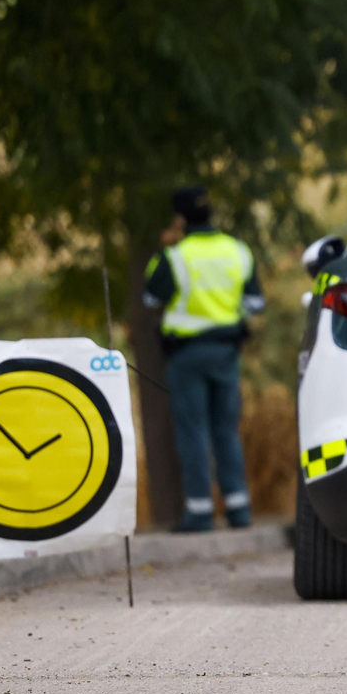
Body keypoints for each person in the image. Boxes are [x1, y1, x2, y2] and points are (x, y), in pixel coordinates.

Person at [143, 186, 266, 532]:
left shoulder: (174, 255)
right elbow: (255, 304)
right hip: (226, 352)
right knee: (226, 428)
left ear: (180, 218)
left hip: (186, 355)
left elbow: (152, 299)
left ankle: (199, 511)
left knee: (193, 431)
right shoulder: (237, 250)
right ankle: (239, 509)